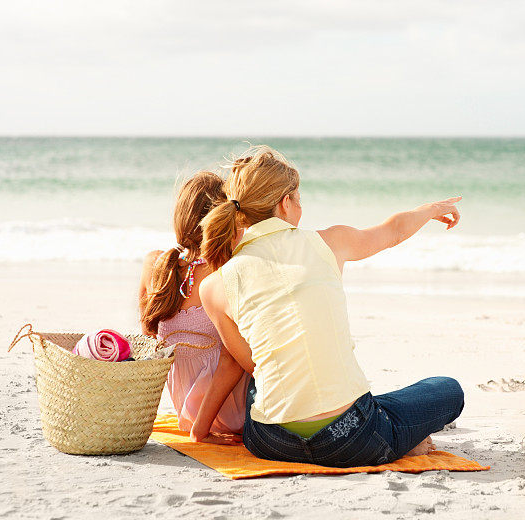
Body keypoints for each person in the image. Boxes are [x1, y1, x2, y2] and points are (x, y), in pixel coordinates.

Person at [191, 145, 464, 466]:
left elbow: (250, 364)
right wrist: (431, 209)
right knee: (447, 389)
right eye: (299, 199)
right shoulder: (329, 242)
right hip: (351, 438)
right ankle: (399, 438)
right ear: (285, 202)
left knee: (265, 373)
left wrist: (201, 427)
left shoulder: (213, 286)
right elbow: (393, 231)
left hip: (271, 441)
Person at [138, 171, 250, 444]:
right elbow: (232, 360)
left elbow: (147, 331)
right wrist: (200, 432)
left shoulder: (157, 264)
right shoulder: (227, 270)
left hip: (184, 406)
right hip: (230, 413)